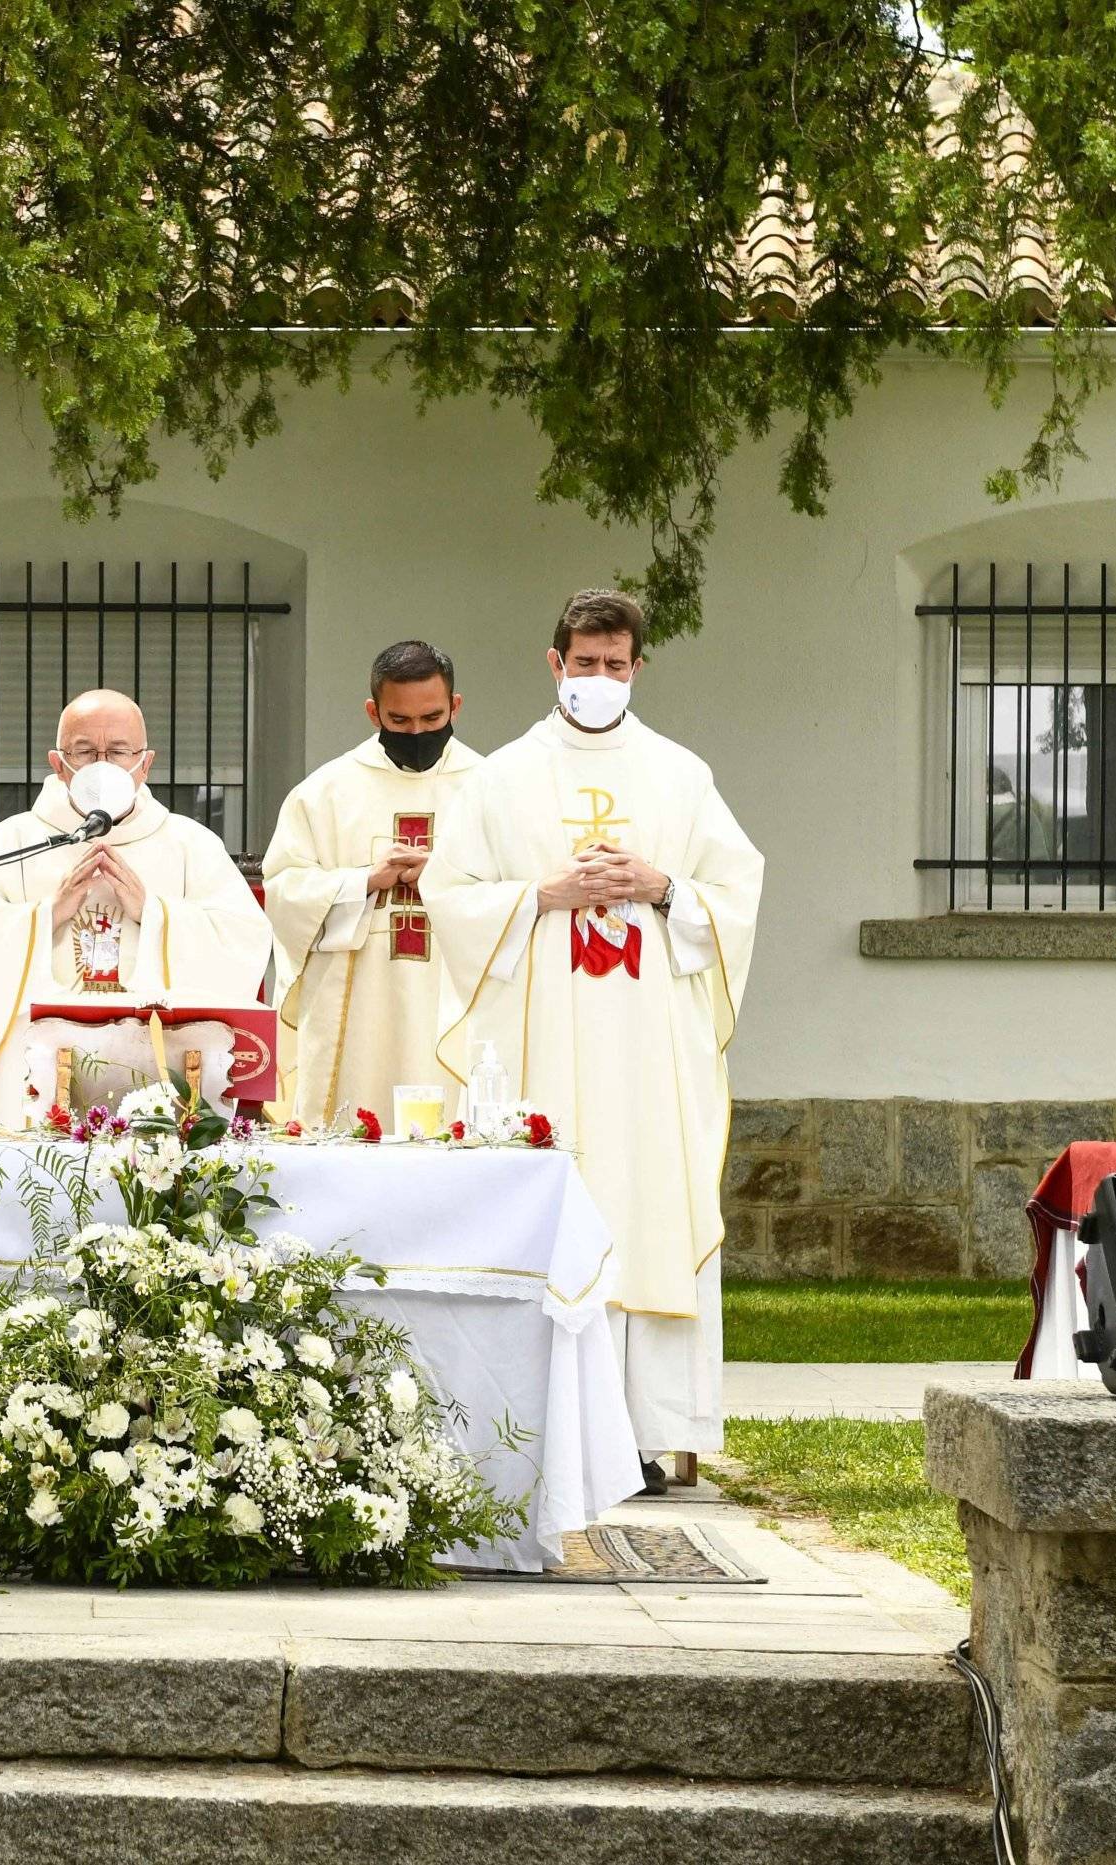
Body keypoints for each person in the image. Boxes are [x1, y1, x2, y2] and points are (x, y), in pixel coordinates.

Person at [424, 589, 763, 1492]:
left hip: (649, 1051)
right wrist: (540, 895)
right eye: (586, 663)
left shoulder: (681, 776)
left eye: (617, 665)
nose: (601, 678)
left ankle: (648, 1435)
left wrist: (661, 885)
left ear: (637, 668)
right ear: (554, 663)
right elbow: (447, 895)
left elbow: (734, 896)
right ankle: (536, 1433)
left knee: (645, 1208)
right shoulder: (499, 779)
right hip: (543, 1044)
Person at [0, 688, 272, 1127]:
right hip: (34, 1074)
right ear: (58, 764)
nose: (102, 764)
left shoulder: (192, 846)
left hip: (157, 1070)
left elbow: (244, 940)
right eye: (85, 750)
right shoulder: (9, 844)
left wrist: (154, 915)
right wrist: (45, 915)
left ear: (145, 763)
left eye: (117, 751)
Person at [261, 640, 484, 1128]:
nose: (418, 732)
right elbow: (284, 895)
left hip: (452, 1002)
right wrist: (364, 881)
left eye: (432, 718)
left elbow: (519, 894)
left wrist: (443, 875)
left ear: (456, 706)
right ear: (373, 712)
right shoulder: (325, 793)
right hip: (359, 1005)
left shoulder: (492, 790)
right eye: (399, 721)